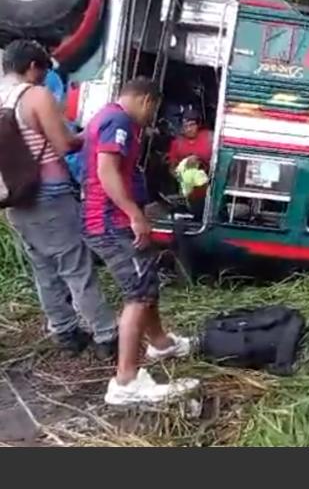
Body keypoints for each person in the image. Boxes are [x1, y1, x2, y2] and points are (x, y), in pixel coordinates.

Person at [81, 77, 198, 405]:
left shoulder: (105, 115)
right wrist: (134, 214)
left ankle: (161, 343)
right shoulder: (118, 121)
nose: (152, 116)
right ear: (147, 100)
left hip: (106, 220)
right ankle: (126, 381)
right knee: (139, 295)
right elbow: (107, 171)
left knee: (145, 281)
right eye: (155, 108)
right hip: (110, 223)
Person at [1, 40, 118, 358]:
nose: (42, 79)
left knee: (43, 267)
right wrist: (91, 132)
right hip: (49, 193)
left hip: (14, 197)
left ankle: (65, 332)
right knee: (75, 266)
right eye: (42, 72)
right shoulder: (35, 95)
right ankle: (107, 335)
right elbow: (65, 144)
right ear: (33, 67)